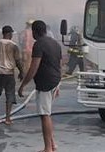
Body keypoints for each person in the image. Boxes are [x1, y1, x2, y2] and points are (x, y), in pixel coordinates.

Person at [18, 20, 62, 152]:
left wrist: (22, 85)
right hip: (55, 81)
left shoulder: (39, 45)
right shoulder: (55, 43)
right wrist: (58, 84)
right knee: (47, 113)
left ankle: (48, 148)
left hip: (45, 84)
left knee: (45, 115)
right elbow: (59, 66)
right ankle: (52, 144)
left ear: (35, 31)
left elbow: (33, 67)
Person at [0, 25, 25, 124]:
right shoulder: (14, 45)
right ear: (9, 34)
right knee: (10, 95)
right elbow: (18, 60)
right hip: (9, 73)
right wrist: (21, 71)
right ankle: (7, 118)